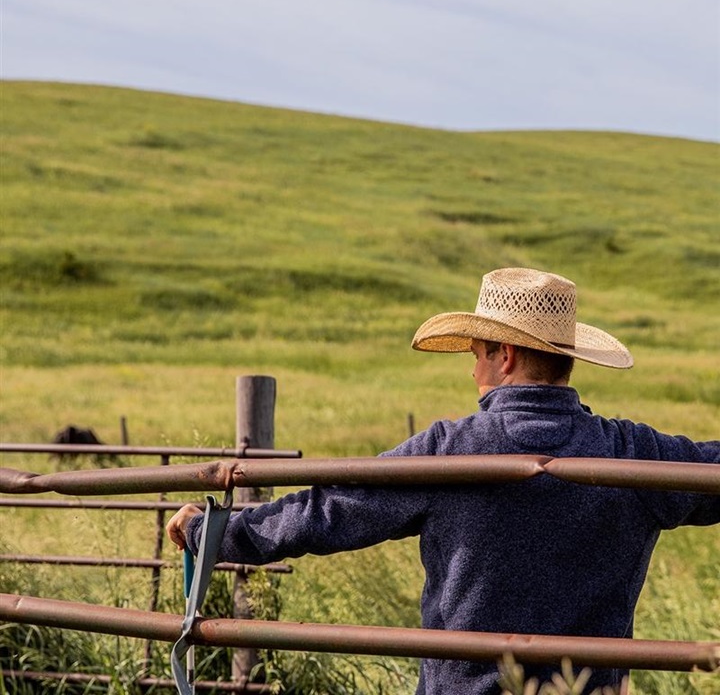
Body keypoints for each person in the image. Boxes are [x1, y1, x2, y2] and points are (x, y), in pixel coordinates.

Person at [167, 267, 719, 695]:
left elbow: (331, 508)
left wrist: (214, 532)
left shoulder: (451, 449)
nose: (472, 369)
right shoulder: (633, 453)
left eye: (477, 354)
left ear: (504, 357)